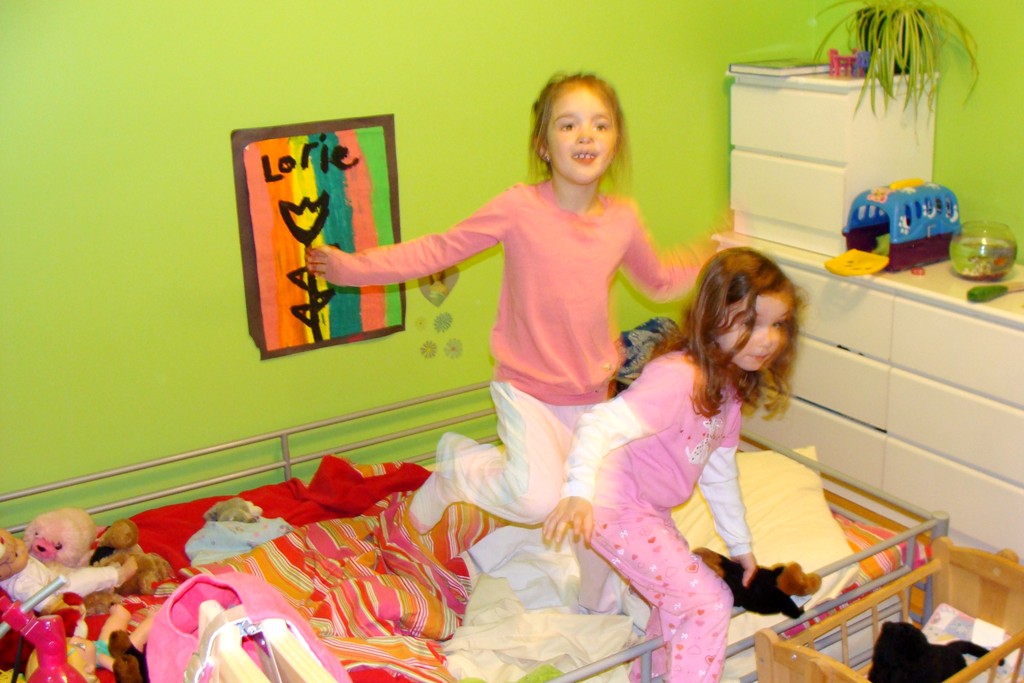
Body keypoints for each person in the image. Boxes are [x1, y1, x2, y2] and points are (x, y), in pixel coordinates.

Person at [306, 72, 712, 533]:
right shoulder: (519, 208)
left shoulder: (622, 219)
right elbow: (438, 250)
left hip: (593, 396)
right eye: (568, 125)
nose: (586, 135)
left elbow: (660, 281)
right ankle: (459, 469)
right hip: (526, 390)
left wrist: (713, 255)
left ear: (615, 142)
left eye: (600, 125)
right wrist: (350, 269)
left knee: (595, 510)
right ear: (543, 145)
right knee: (536, 502)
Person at [543, 247, 801, 683]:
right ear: (712, 317)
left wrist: (740, 546)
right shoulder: (679, 377)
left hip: (647, 510)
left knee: (682, 599)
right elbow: (598, 422)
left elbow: (720, 474)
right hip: (614, 506)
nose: (768, 339)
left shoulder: (727, 391)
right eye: (751, 322)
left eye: (778, 324)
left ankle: (649, 677)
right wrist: (578, 491)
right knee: (708, 603)